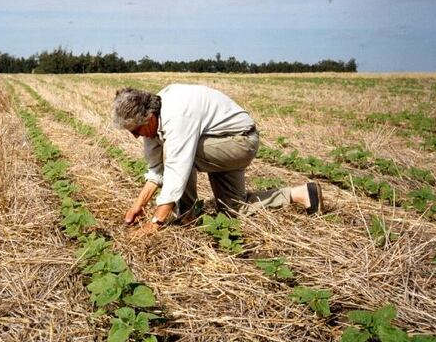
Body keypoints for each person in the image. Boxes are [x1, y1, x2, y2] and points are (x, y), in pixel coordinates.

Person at [111, 84, 323, 238]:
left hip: (240, 142)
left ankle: (187, 214)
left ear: (148, 117)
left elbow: (175, 170)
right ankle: (300, 194)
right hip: (222, 142)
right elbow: (157, 170)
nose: (136, 137)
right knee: (233, 209)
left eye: (136, 131)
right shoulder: (153, 122)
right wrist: (138, 206)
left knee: (179, 156)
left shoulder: (177, 116)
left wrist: (155, 223)